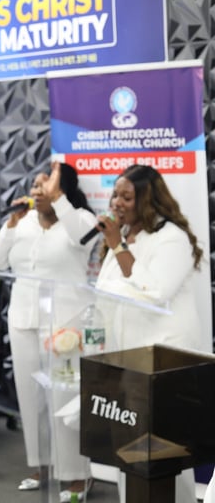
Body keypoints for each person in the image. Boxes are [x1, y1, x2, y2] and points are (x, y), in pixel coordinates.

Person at [0, 162, 97, 501]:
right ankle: (42, 466)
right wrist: (10, 225)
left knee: (64, 398)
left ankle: (77, 476)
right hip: (23, 320)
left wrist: (58, 201)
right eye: (35, 185)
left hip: (66, 323)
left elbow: (83, 238)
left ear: (62, 190)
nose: (37, 190)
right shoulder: (24, 222)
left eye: (44, 184)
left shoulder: (81, 219)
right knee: (31, 398)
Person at [94, 164, 203, 503]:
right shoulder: (127, 238)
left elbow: (154, 291)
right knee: (131, 450)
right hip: (127, 360)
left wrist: (116, 245)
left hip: (165, 360)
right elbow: (107, 292)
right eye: (115, 194)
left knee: (166, 453)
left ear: (148, 200)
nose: (117, 202)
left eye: (127, 197)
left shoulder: (171, 238)